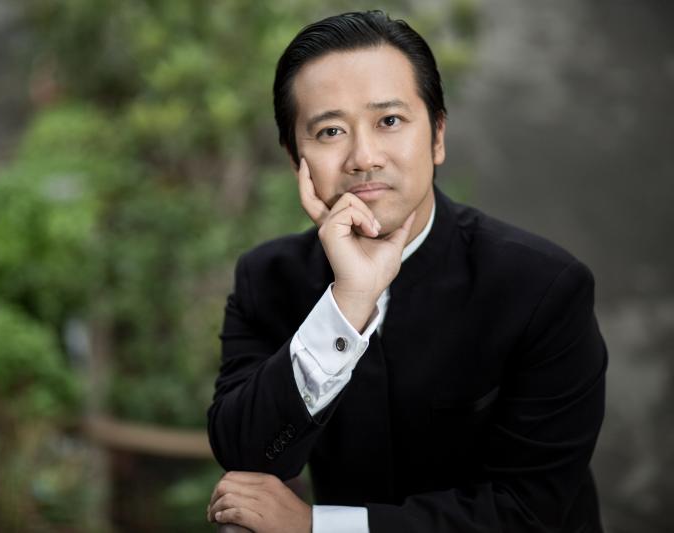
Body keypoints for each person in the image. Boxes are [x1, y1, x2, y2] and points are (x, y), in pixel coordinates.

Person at [206, 10, 607, 533]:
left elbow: (530, 511)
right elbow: (247, 456)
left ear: (437, 136)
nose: (363, 157)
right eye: (330, 131)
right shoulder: (267, 277)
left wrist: (318, 526)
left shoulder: (543, 288)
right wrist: (348, 302)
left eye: (389, 121)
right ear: (294, 158)